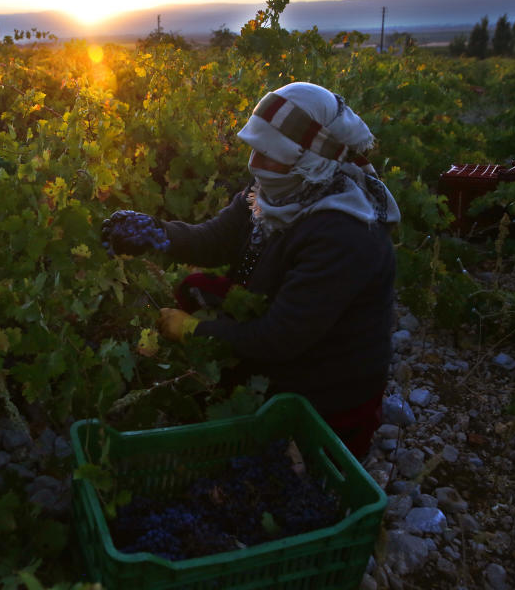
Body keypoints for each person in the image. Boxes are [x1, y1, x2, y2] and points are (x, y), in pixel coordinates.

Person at [101, 82, 401, 460]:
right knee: (196, 286)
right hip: (282, 326)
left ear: (311, 157)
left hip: (325, 384)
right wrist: (155, 234)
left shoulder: (344, 233)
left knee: (275, 460)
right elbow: (213, 240)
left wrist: (193, 331)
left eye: (268, 154)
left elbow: (280, 338)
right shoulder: (280, 189)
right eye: (254, 150)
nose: (254, 165)